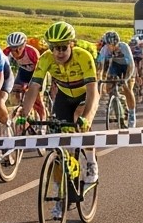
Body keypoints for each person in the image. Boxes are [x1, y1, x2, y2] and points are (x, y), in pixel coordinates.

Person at [17, 21, 100, 188]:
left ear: (71, 44)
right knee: (59, 138)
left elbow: (93, 90)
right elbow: (34, 87)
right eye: (55, 48)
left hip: (85, 95)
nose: (59, 52)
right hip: (64, 95)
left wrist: (87, 118)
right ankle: (59, 191)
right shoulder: (46, 58)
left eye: (63, 47)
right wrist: (24, 115)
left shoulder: (83, 56)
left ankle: (90, 163)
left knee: (79, 119)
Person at [94, 30, 136, 126]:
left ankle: (132, 114)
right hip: (116, 65)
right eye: (109, 45)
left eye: (114, 45)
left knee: (127, 88)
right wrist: (99, 78)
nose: (111, 47)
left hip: (127, 67)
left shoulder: (124, 47)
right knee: (109, 86)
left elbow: (131, 65)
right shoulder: (104, 49)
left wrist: (125, 79)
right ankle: (116, 103)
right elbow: (100, 65)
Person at [4, 31, 43, 119]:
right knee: (15, 89)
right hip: (23, 72)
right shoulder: (6, 51)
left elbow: (39, 70)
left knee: (37, 99)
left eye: (19, 48)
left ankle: (43, 122)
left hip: (37, 72)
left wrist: (32, 86)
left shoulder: (32, 52)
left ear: (24, 45)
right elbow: (1, 67)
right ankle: (20, 108)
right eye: (13, 49)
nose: (16, 51)